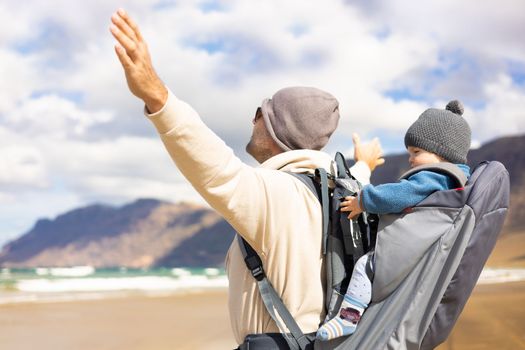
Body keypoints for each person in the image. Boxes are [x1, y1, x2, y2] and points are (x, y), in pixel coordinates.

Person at [109, 8, 385, 348]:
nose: (252, 120)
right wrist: (365, 165)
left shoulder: (276, 194)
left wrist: (157, 97)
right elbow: (355, 177)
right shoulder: (338, 190)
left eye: (260, 114)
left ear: (275, 129)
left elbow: (215, 166)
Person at [316, 100, 472, 341]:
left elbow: (398, 195)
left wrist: (363, 201)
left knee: (364, 267)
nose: (410, 159)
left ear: (442, 152)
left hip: (405, 249)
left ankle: (349, 317)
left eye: (416, 152)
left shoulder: (434, 177)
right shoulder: (454, 180)